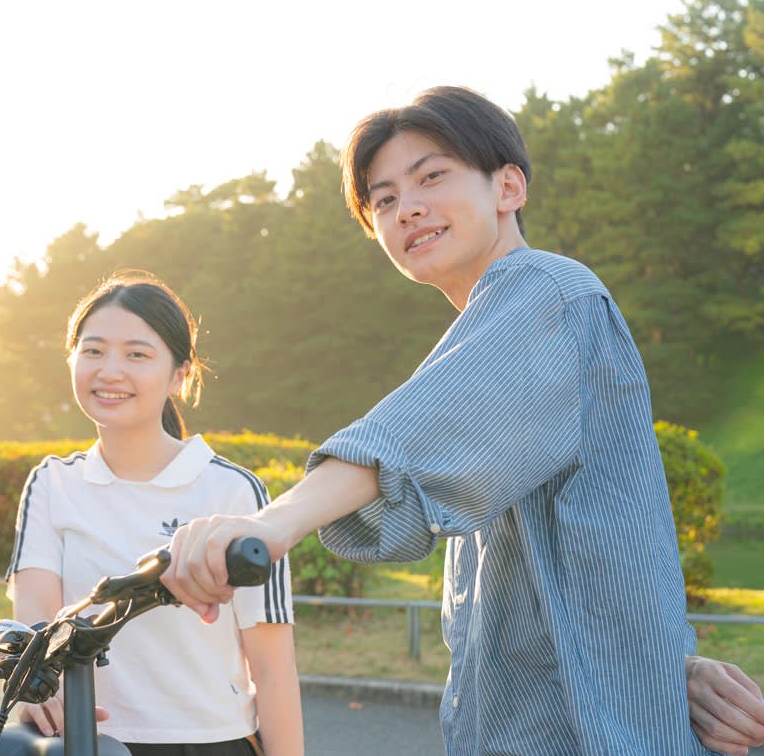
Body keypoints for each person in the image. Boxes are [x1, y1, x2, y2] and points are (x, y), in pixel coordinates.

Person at [160, 86, 764, 755]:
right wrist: (672, 668)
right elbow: (597, 563)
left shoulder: (553, 296)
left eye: (432, 176)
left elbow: (402, 440)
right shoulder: (493, 346)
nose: (407, 208)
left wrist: (266, 526)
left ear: (508, 186)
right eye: (383, 200)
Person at [6, 271, 304, 756]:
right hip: (83, 742)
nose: (110, 371)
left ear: (180, 375)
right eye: (94, 350)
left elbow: (272, 668)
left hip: (210, 744)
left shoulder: (232, 489)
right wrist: (35, 690)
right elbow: (34, 623)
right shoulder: (52, 483)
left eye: (137, 355)